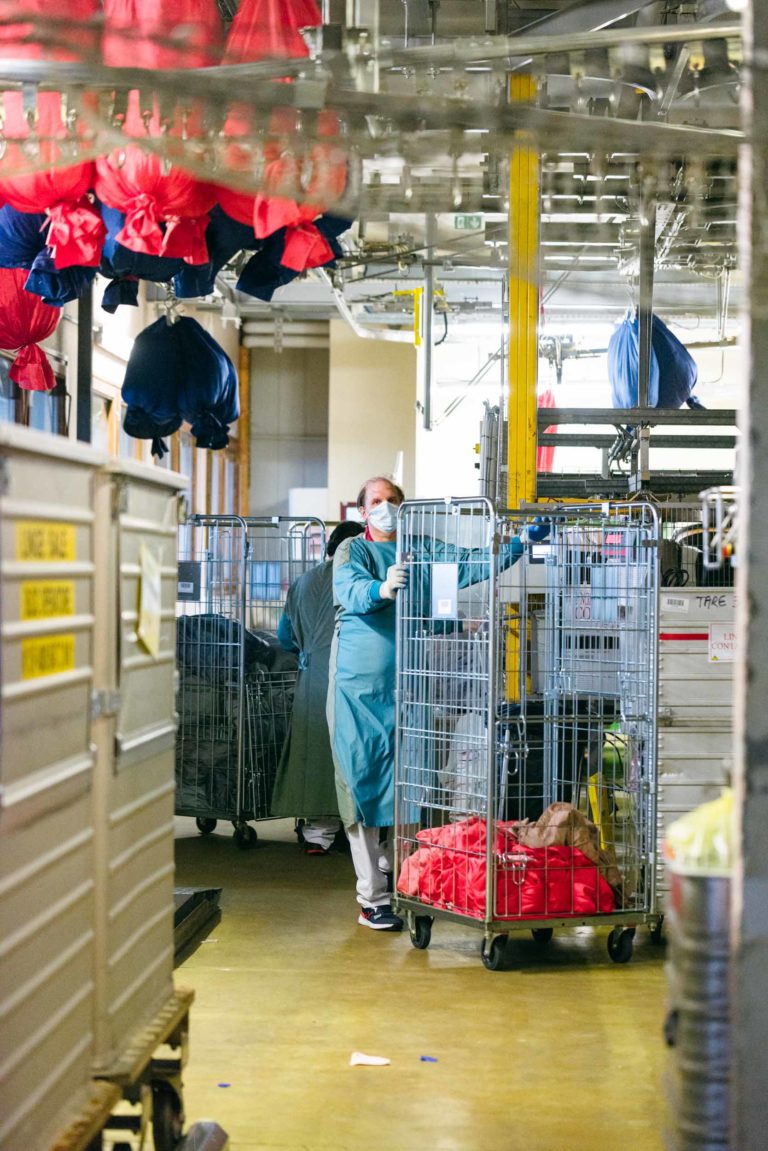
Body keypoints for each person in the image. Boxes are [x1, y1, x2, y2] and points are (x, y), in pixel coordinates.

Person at [328, 476, 544, 931]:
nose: (386, 508)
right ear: (363, 512)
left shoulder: (422, 549)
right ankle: (372, 897)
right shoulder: (355, 552)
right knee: (361, 786)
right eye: (377, 502)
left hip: (409, 688)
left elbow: (471, 563)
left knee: (411, 784)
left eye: (394, 501)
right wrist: (380, 589)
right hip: (358, 691)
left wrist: (520, 543)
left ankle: (409, 881)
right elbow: (349, 589)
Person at [271, 520, 365, 854]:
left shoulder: (302, 583)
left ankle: (317, 834)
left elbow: (284, 637)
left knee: (314, 753)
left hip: (310, 679)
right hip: (354, 675)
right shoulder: (357, 579)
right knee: (352, 753)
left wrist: (307, 650)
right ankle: (357, 832)